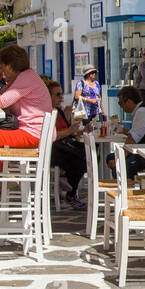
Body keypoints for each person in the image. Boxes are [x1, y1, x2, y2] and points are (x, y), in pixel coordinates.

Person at [0, 45, 53, 148]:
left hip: (33, 133)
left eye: (1, 66)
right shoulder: (22, 77)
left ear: (9, 66)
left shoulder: (25, 78)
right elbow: (1, 100)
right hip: (35, 132)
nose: (1, 70)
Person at [45, 78, 87, 209]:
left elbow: (68, 130)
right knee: (80, 157)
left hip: (64, 145)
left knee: (88, 151)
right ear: (48, 95)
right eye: (57, 95)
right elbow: (51, 135)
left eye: (61, 94)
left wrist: (75, 131)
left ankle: (69, 185)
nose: (61, 98)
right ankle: (70, 190)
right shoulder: (46, 113)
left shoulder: (59, 111)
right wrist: (69, 131)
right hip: (53, 149)